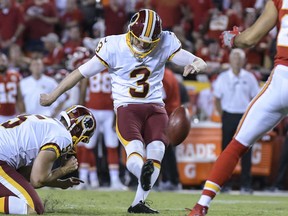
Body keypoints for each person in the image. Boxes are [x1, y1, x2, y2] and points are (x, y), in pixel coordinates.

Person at [40, 9, 207, 214]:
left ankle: (138, 203)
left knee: (157, 152)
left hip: (156, 107)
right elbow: (80, 73)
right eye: (139, 41)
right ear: (130, 33)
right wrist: (53, 95)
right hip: (128, 107)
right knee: (134, 150)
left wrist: (196, 64)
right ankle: (141, 173)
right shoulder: (113, 46)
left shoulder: (165, 41)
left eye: (148, 42)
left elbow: (199, 60)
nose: (143, 46)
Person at [187, 0, 288, 215]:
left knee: (237, 145)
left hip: (281, 80)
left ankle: (201, 206)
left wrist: (234, 39)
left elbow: (249, 38)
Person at [0, 104, 96, 214]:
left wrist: (60, 184)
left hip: (3, 159)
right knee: (34, 207)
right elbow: (37, 180)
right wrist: (64, 170)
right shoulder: (63, 136)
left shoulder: (48, 123)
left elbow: (25, 174)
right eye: (81, 139)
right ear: (78, 129)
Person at [213, 48, 260, 194]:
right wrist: (223, 115)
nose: (237, 60)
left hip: (244, 117)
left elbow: (255, 98)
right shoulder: (222, 77)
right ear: (230, 59)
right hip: (228, 115)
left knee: (246, 151)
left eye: (240, 58)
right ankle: (223, 184)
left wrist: (251, 116)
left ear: (244, 60)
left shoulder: (250, 77)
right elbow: (217, 99)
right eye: (235, 57)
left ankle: (246, 184)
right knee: (226, 152)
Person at [0, 52, 25, 123]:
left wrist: (23, 113)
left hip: (13, 115)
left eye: (3, 60)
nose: (1, 63)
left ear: (7, 62)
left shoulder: (15, 75)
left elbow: (19, 98)